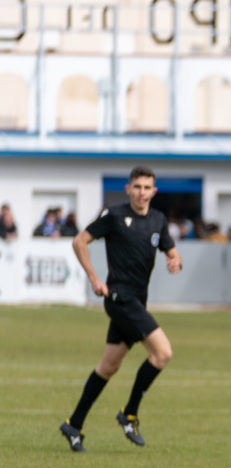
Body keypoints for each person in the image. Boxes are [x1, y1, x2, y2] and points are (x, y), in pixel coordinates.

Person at [59, 166, 183, 452]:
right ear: (128, 190)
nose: (141, 192)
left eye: (146, 187)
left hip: (137, 301)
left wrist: (175, 261)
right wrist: (93, 277)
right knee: (162, 352)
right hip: (119, 298)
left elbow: (172, 252)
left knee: (108, 367)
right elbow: (80, 241)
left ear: (154, 191)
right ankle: (129, 414)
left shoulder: (158, 220)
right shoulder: (114, 216)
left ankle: (73, 424)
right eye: (136, 187)